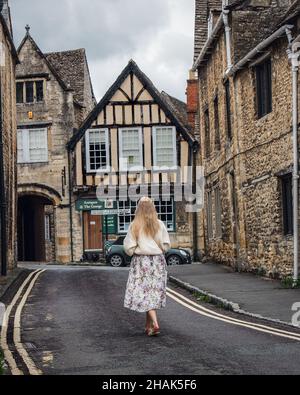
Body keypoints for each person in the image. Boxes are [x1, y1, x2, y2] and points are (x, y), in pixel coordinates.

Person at [123, 197, 171, 336]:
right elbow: (166, 245)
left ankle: (155, 324)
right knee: (152, 292)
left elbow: (129, 247)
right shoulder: (160, 224)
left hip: (141, 262)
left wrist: (137, 248)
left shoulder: (135, 225)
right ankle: (148, 327)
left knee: (144, 293)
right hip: (157, 262)